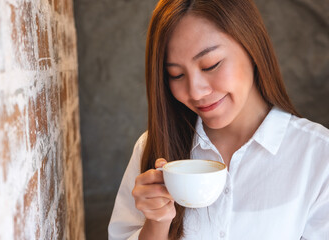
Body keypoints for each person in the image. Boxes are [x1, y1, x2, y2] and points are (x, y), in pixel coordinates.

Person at [108, 0, 329, 239]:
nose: (195, 92)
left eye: (211, 65)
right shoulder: (152, 148)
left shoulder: (318, 156)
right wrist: (157, 223)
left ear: (252, 47)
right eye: (176, 74)